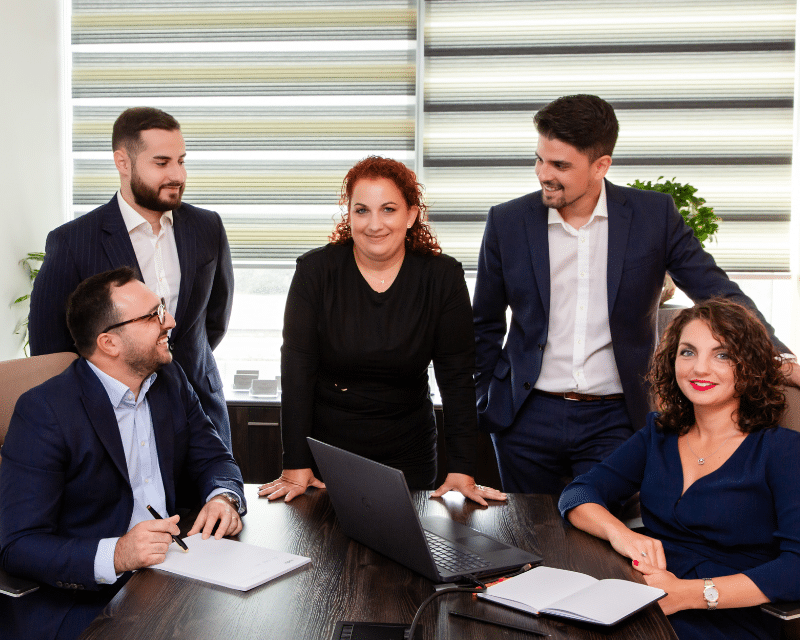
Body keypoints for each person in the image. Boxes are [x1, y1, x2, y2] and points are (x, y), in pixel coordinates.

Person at [472, 93, 799, 494]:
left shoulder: (653, 216)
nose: (544, 173)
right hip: (524, 416)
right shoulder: (507, 221)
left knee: (603, 536)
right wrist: (484, 397)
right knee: (528, 535)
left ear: (601, 165)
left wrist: (779, 355)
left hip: (615, 417)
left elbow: (717, 291)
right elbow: (483, 323)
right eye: (539, 159)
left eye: (560, 165)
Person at [0, 267, 245, 640]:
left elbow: (214, 458)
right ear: (109, 343)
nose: (172, 321)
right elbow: (17, 545)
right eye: (154, 316)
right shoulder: (44, 411)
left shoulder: (171, 380)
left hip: (175, 569)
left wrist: (222, 497)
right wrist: (117, 554)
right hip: (86, 596)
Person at [259, 156, 505, 505]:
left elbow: (457, 378)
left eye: (388, 209)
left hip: (410, 450)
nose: (374, 224)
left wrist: (463, 467)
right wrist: (295, 463)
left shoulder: (442, 277)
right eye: (362, 211)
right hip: (327, 453)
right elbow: (297, 371)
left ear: (411, 215)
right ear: (349, 216)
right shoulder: (315, 271)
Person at [558, 298, 800, 640]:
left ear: (750, 367)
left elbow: (796, 567)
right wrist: (622, 534)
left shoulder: (783, 450)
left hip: (729, 618)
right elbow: (579, 492)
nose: (699, 368)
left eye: (722, 354)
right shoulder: (659, 433)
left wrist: (688, 594)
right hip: (646, 600)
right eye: (688, 352)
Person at [28, 107, 234, 451]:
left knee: (216, 501)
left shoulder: (208, 227)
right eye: (162, 162)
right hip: (109, 423)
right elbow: (50, 350)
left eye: (181, 161)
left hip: (201, 411)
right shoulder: (73, 241)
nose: (177, 174)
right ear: (123, 162)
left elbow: (214, 320)